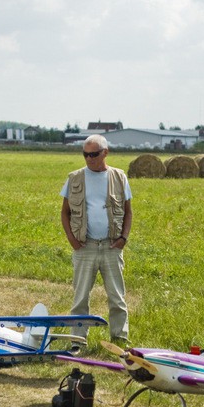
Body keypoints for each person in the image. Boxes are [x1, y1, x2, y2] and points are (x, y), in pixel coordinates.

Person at [60, 134, 132, 352]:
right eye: (85, 154)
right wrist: (72, 240)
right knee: (80, 297)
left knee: (117, 298)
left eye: (93, 154)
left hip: (111, 246)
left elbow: (128, 212)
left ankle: (119, 340)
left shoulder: (119, 177)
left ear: (105, 153)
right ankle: (77, 341)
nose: (89, 158)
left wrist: (123, 239)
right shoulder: (74, 178)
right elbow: (64, 213)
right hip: (85, 246)